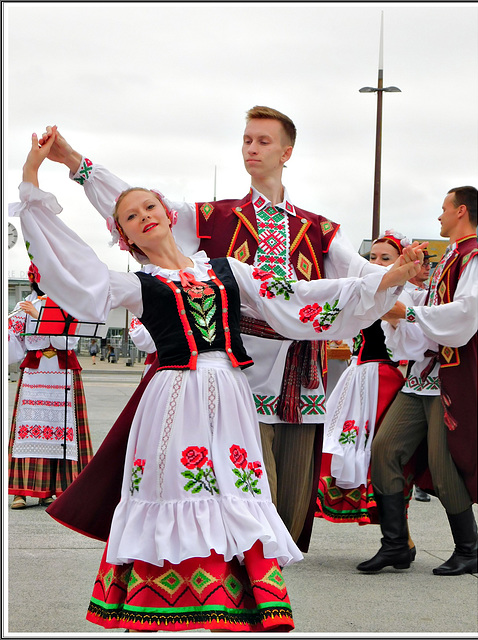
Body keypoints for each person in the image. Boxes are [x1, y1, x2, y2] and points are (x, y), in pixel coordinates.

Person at [15, 131, 423, 632]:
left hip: (230, 394)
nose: (145, 216)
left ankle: (231, 605)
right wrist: (33, 182)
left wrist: (383, 280)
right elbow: (73, 271)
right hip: (175, 397)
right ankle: (163, 602)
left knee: (237, 488)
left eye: (150, 207)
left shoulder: (228, 269)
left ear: (167, 214)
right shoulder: (136, 285)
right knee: (177, 488)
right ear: (127, 238)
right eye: (131, 217)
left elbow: (295, 295)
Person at [357, 186, 478, 576]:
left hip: (451, 378)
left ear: (461, 211)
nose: (438, 217)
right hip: (422, 377)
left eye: (443, 209)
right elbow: (428, 309)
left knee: (444, 468)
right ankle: (395, 545)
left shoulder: (475, 257)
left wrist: (407, 315)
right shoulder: (450, 259)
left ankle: (468, 548)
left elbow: (465, 315)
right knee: (386, 447)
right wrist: (403, 312)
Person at [315, 231, 420, 559]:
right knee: (341, 448)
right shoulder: (369, 292)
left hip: (384, 379)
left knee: (384, 455)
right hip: (357, 378)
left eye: (385, 259)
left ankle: (401, 539)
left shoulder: (408, 295)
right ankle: (400, 540)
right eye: (371, 258)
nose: (376, 265)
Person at [8, 263, 93, 509]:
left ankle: (57, 488)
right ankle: (21, 491)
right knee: (31, 427)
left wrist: (40, 318)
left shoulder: (68, 305)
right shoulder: (23, 306)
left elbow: (69, 340)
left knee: (63, 429)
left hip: (62, 371)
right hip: (36, 374)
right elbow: (15, 350)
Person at [406, 248, 435, 503]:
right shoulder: (402, 292)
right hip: (392, 373)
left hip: (419, 372)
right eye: (423, 263)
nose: (427, 268)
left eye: (429, 264)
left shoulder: (427, 296)